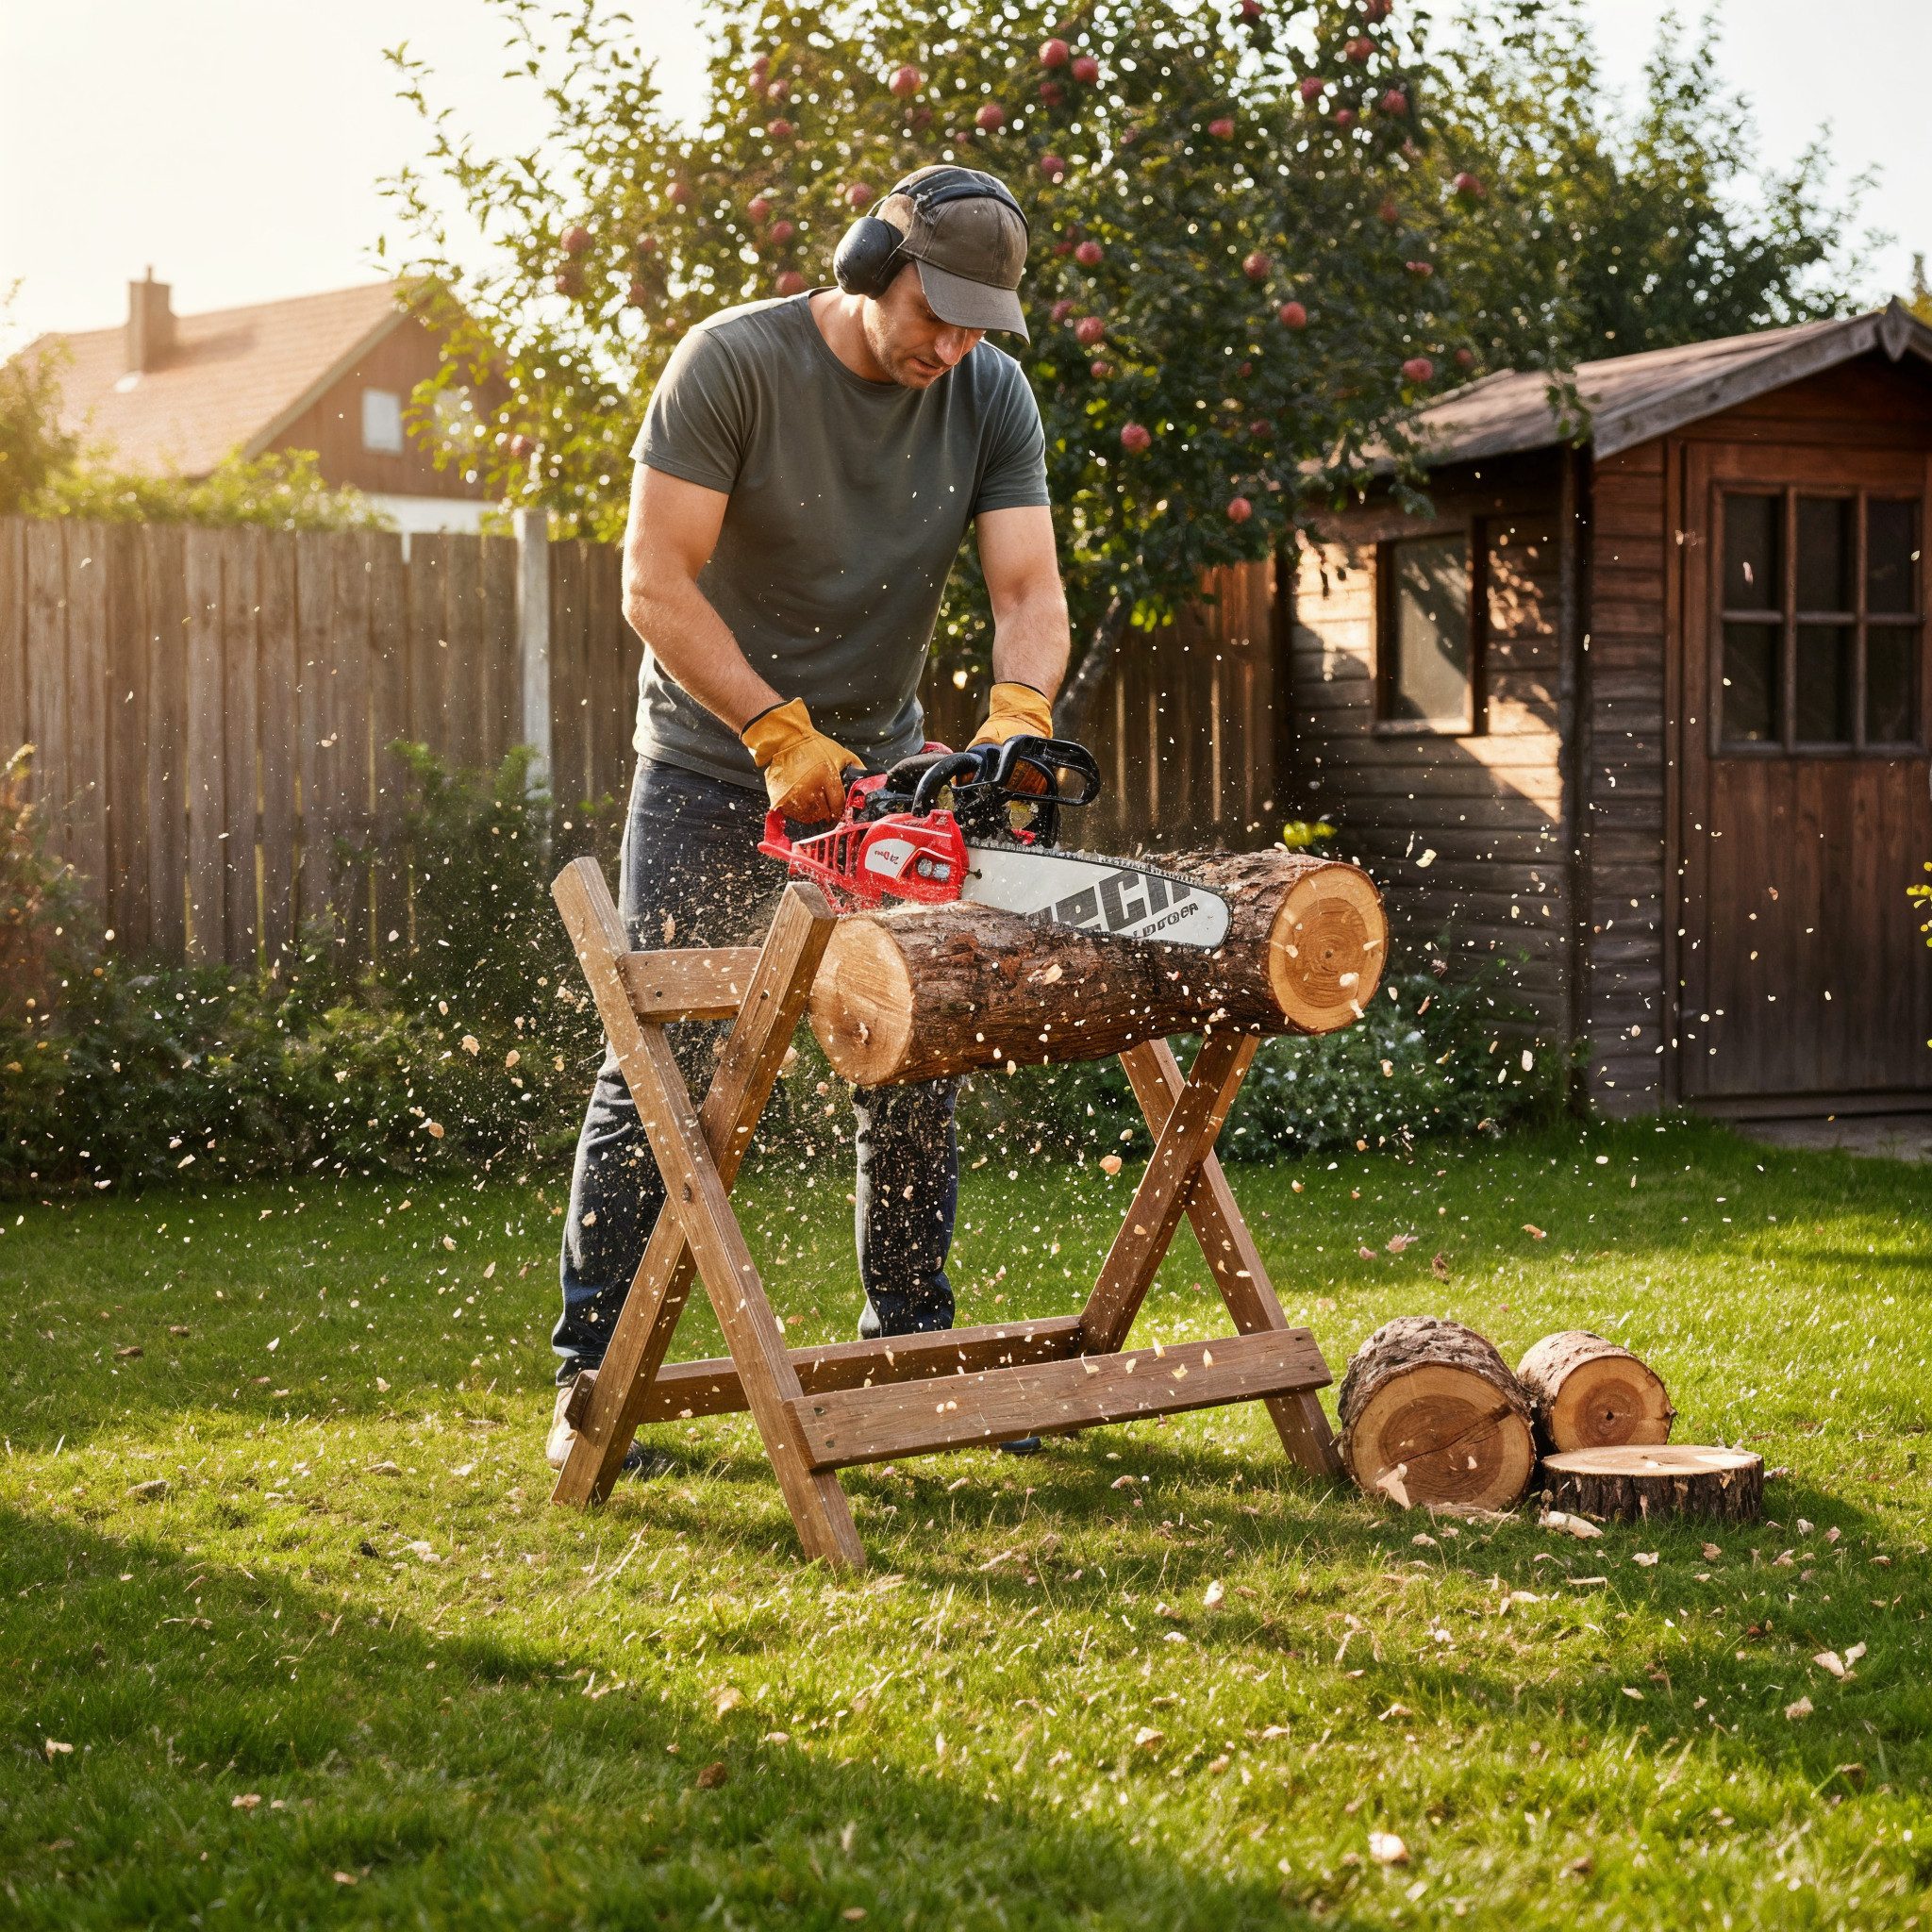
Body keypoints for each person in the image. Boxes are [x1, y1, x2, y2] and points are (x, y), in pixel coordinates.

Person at [547, 163, 1072, 1474]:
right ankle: (594, 1379)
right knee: (659, 1059)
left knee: (913, 1044)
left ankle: (909, 1343)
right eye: (930, 311)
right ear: (864, 261)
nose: (946, 345)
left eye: (972, 323)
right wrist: (773, 731)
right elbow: (652, 580)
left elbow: (1029, 586)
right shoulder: (733, 363)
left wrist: (1016, 710)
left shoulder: (990, 394)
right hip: (712, 763)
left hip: (886, 771)